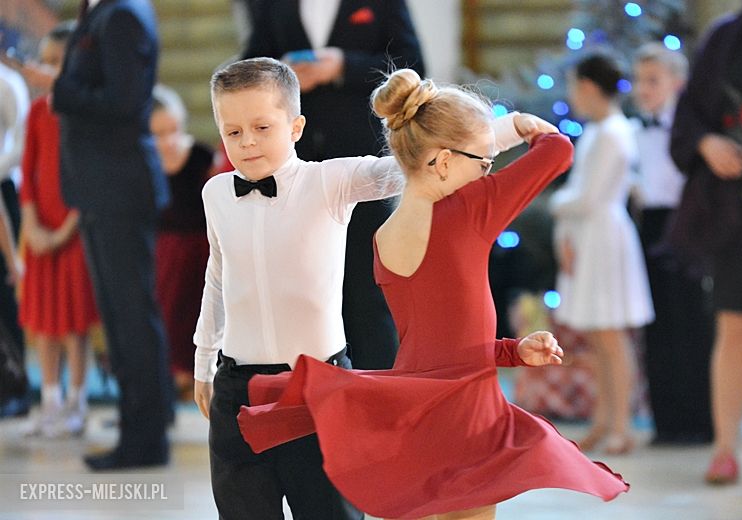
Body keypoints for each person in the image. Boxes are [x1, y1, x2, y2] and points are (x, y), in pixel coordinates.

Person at [236, 69, 629, 520]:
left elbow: (440, 341)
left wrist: (514, 351)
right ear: (443, 162)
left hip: (418, 409)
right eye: (482, 162)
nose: (487, 172)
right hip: (467, 411)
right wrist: (521, 124)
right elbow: (558, 151)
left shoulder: (382, 239)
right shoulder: (470, 212)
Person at [194, 57, 411, 520]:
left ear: (295, 126)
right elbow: (217, 275)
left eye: (261, 127)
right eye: (233, 132)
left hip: (318, 388)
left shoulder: (329, 182)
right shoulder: (215, 193)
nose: (247, 142)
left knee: (330, 512)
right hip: (237, 388)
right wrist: (203, 363)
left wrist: (508, 128)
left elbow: (415, 167)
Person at [16, 0, 173, 470]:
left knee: (130, 317)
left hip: (119, 185)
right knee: (121, 319)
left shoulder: (123, 13)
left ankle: (144, 439)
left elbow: (123, 103)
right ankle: (140, 426)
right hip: (101, 186)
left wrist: (55, 86)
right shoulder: (101, 11)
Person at [242, 0, 426, 369]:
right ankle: (313, 403)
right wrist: (284, 74)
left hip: (364, 167)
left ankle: (380, 401)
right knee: (302, 290)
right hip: (295, 164)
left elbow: (413, 68)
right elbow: (250, 69)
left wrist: (343, 65)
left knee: (367, 289)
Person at [669, 0, 742, 484]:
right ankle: (725, 449)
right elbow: (691, 112)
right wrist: (706, 144)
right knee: (736, 323)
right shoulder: (724, 36)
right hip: (740, 210)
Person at [550, 53, 654, 455]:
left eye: (575, 86)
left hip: (604, 237)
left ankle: (621, 425)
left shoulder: (614, 132)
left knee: (611, 335)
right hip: (589, 236)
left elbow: (589, 197)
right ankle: (604, 419)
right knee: (598, 336)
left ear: (589, 87)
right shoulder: (598, 131)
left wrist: (558, 203)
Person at [18, 21, 99, 439]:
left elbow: (87, 175)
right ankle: (49, 399)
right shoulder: (35, 112)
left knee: (73, 323)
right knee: (43, 321)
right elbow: (27, 172)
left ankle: (77, 400)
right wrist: (31, 223)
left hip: (73, 232)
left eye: (58, 61)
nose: (48, 68)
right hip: (39, 233)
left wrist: (67, 228)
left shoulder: (83, 112)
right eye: (44, 61)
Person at [630, 42, 715, 445]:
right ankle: (667, 422)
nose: (643, 89)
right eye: (639, 80)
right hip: (648, 225)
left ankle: (700, 421)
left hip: (686, 225)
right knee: (657, 324)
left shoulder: (691, 131)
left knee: (693, 323)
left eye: (653, 81)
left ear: (678, 84)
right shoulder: (633, 129)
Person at [150, 84, 215, 401]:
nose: (168, 140)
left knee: (194, 309)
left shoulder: (199, 156)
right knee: (168, 309)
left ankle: (196, 373)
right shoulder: (146, 164)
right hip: (165, 249)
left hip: (199, 248)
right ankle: (173, 372)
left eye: (174, 130)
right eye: (159, 134)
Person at [0, 50, 29, 419]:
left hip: (3, 188)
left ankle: (16, 386)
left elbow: (19, 144)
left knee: (6, 291)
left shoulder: (8, 82)